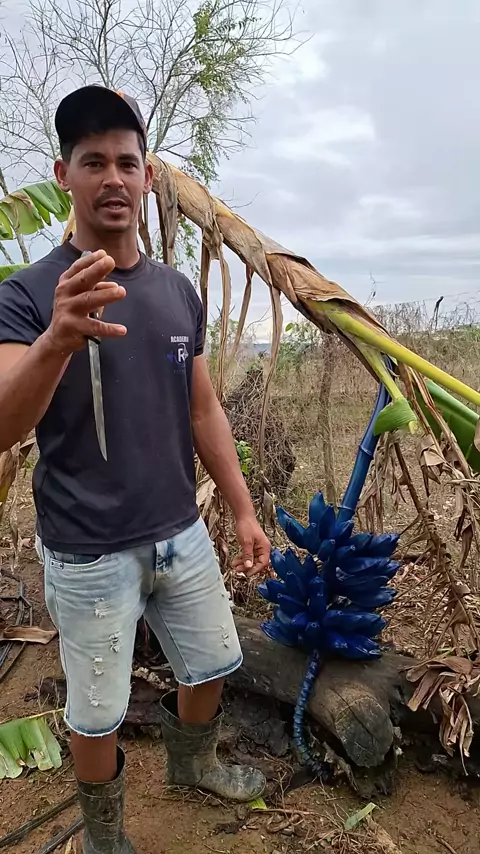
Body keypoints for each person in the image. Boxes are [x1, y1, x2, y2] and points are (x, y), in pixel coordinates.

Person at [0, 86, 270, 854]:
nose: (112, 177)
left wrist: (242, 510)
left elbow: (202, 410)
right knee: (97, 712)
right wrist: (56, 339)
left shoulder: (175, 292)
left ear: (148, 176)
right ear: (64, 175)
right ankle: (104, 835)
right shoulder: (28, 296)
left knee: (213, 661)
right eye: (93, 162)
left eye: (126, 161)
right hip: (87, 548)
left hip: (180, 531)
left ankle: (194, 766)